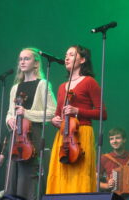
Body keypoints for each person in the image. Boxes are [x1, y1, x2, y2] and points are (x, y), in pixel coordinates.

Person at [46, 45, 107, 194]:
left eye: (72, 55)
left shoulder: (89, 82)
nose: (66, 58)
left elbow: (102, 113)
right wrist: (55, 121)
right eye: (66, 55)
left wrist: (77, 111)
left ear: (83, 60)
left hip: (82, 133)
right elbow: (58, 114)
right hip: (63, 137)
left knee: (79, 174)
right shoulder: (61, 87)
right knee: (61, 174)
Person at [5, 47, 56, 200]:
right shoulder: (15, 88)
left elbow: (52, 112)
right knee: (13, 177)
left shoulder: (43, 84)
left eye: (26, 58)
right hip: (16, 137)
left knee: (28, 179)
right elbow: (9, 112)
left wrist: (26, 113)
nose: (22, 61)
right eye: (20, 59)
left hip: (32, 137)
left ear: (36, 63)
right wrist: (9, 120)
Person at [100, 127, 129, 200]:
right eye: (111, 139)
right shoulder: (104, 158)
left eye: (117, 138)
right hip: (112, 195)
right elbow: (94, 180)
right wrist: (106, 185)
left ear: (124, 140)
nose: (114, 141)